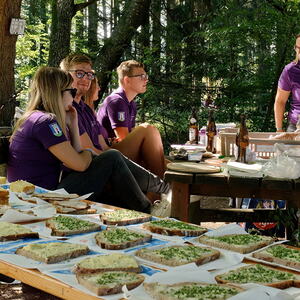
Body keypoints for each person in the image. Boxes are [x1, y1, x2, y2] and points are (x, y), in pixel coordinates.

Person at [7, 67, 169, 213]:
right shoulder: (45, 122)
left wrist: (73, 124)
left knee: (113, 174)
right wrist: (87, 154)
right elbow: (80, 164)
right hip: (37, 198)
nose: (74, 95)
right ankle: (152, 205)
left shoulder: (38, 118)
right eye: (70, 91)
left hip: (41, 193)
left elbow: (77, 158)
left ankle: (160, 193)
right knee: (111, 158)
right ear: (57, 93)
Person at [60, 54, 166, 179]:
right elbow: (88, 150)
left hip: (106, 155)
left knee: (165, 162)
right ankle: (160, 192)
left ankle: (159, 192)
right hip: (92, 169)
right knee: (147, 130)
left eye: (89, 75)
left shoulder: (87, 110)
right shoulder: (69, 109)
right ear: (65, 76)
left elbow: (104, 147)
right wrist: (121, 162)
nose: (86, 79)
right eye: (79, 73)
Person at [274, 34, 300, 132]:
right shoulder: (290, 70)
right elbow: (280, 101)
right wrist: (279, 129)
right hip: (296, 127)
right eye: (298, 47)